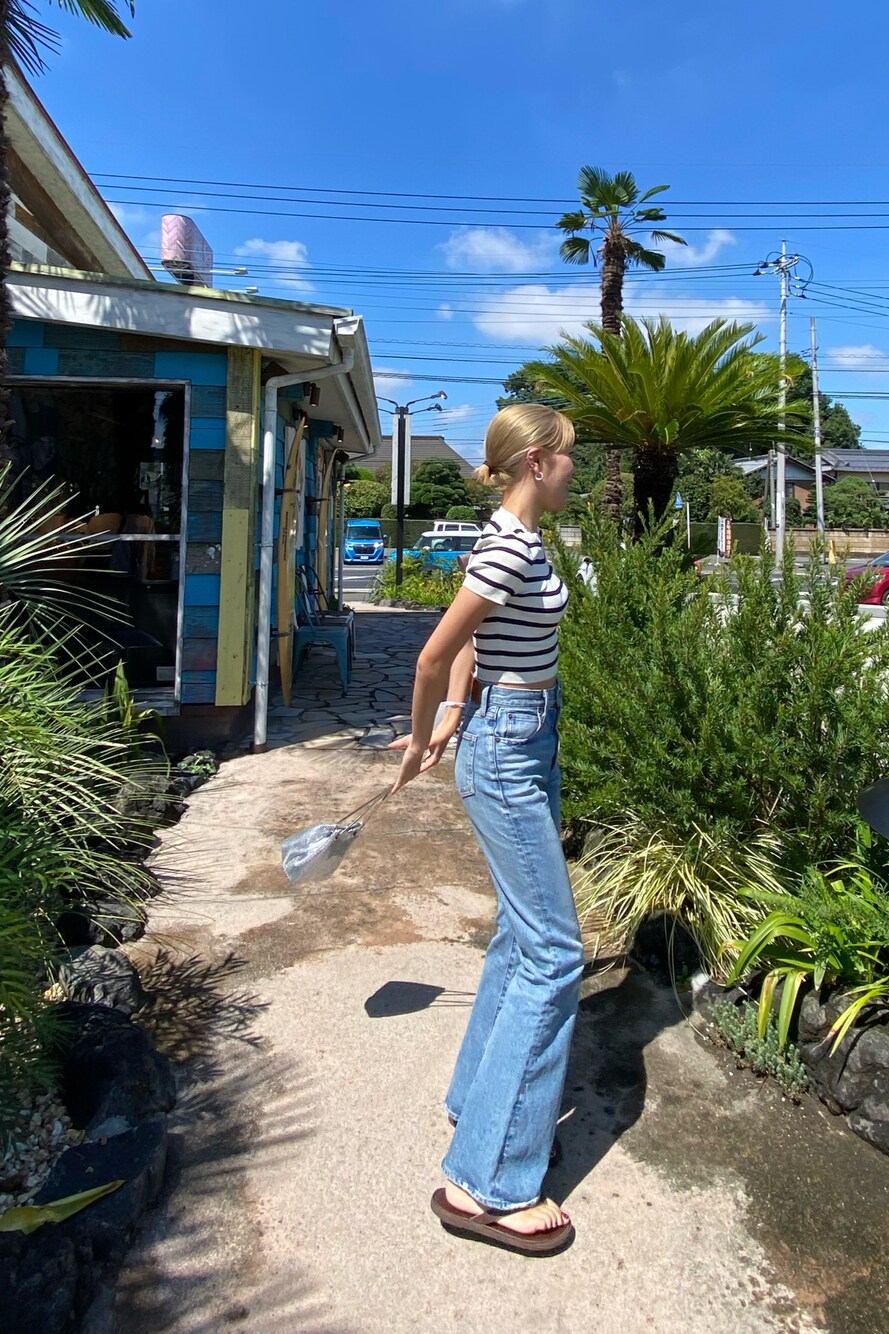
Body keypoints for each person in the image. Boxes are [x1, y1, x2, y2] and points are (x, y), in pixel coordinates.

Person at [390, 403, 583, 1256]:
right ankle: (487, 1183)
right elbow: (435, 653)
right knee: (555, 952)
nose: (576, 469)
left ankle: (480, 1103)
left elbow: (480, 640)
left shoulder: (517, 538)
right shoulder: (507, 544)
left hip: (522, 734)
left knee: (520, 935)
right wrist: (422, 733)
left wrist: (453, 714)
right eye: (568, 456)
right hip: (508, 749)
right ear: (537, 461)